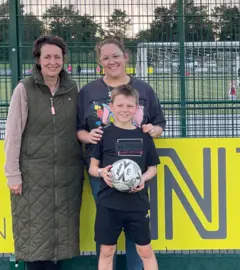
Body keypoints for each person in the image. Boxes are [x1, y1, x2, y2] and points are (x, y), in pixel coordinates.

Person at [77, 38, 166, 270]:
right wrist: (89, 137)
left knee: (137, 235)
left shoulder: (144, 89)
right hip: (103, 173)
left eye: (115, 56)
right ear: (100, 62)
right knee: (107, 235)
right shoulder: (88, 91)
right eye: (105, 57)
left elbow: (159, 122)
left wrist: (154, 131)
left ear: (125, 56)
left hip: (135, 171)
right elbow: (78, 129)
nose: (111, 61)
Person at [5, 35, 84, 270]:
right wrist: (13, 174)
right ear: (38, 60)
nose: (52, 62)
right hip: (33, 178)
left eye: (57, 57)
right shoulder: (24, 89)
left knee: (60, 245)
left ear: (64, 60)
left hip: (67, 178)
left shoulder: (72, 89)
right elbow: (13, 134)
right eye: (47, 56)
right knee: (36, 244)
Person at [88, 85, 159, 270]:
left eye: (129, 106)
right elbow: (92, 168)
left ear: (137, 108)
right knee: (107, 251)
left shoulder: (144, 137)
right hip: (108, 204)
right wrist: (102, 172)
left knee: (145, 251)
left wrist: (142, 178)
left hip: (137, 204)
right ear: (111, 106)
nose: (124, 110)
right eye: (120, 105)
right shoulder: (103, 134)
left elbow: (153, 169)